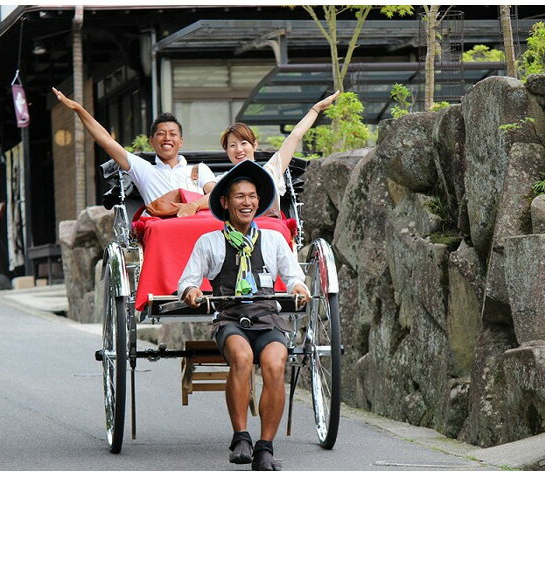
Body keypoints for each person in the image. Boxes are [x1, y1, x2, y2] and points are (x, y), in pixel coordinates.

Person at [178, 160, 311, 471]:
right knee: (241, 357)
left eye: (252, 196)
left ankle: (265, 447)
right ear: (225, 202)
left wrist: (299, 287)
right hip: (231, 319)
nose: (247, 202)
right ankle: (241, 437)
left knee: (275, 364)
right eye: (240, 196)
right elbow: (187, 281)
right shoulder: (209, 241)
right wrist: (192, 292)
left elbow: (293, 276)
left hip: (268, 317)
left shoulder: (275, 239)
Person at [52, 88, 216, 216]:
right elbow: (107, 141)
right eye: (160, 134)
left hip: (197, 233)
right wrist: (78, 109)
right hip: (161, 235)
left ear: (181, 142)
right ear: (151, 141)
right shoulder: (145, 170)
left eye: (173, 134)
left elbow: (217, 196)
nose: (167, 138)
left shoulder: (199, 170)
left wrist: (193, 206)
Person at [220, 90, 341, 216]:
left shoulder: (269, 172)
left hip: (268, 231)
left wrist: (316, 108)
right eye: (232, 145)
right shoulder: (221, 182)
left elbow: (295, 136)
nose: (239, 149)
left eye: (244, 143)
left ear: (254, 145)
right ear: (227, 151)